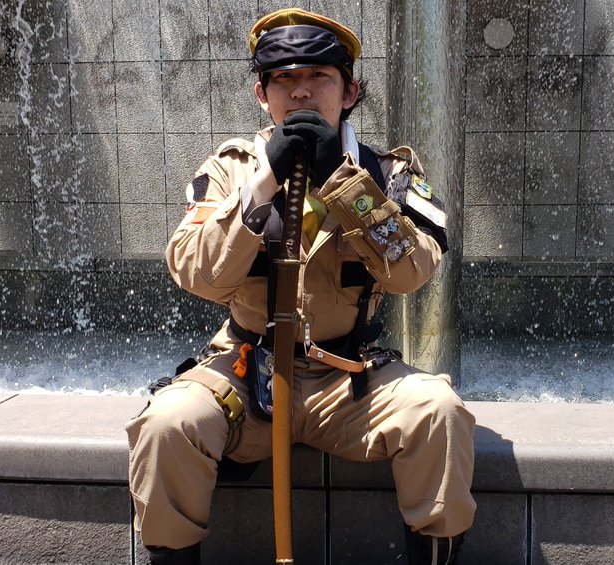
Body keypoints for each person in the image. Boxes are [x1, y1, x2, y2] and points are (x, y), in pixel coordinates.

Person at [126, 8, 476, 565]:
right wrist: (263, 182)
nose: (302, 92)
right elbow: (194, 272)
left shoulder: (388, 174)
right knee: (167, 422)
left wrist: (346, 184)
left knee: (439, 411)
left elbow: (412, 272)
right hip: (246, 376)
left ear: (350, 91)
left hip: (349, 380)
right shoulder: (230, 171)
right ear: (262, 94)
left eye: (320, 77)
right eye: (284, 79)